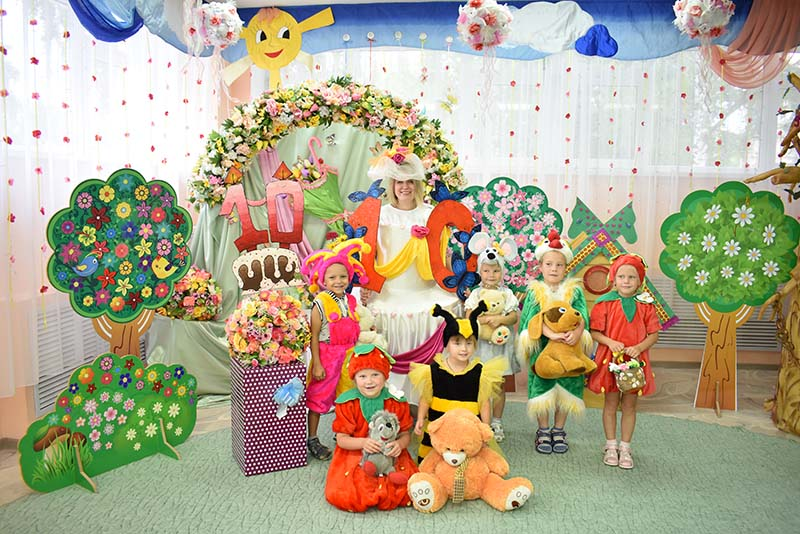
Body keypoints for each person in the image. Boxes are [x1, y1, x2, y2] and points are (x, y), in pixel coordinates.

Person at [361, 147, 462, 397]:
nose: (404, 187)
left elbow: (440, 255)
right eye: (399, 182)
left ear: (417, 185)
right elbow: (370, 252)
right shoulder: (382, 215)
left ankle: (431, 397)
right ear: (392, 185)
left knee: (442, 311)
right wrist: (365, 285)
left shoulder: (428, 214)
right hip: (389, 291)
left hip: (424, 289)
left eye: (409, 182)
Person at [517, 230, 591, 455]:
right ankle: (543, 429)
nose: (554, 269)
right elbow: (530, 320)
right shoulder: (535, 292)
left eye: (559, 265)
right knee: (543, 386)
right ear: (540, 266)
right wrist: (550, 334)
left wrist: (577, 332)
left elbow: (582, 316)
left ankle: (558, 429)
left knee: (566, 386)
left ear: (566, 267)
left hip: (569, 347)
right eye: (549, 264)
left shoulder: (573, 292)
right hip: (543, 350)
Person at [325, 344, 418, 512]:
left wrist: (399, 445)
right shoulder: (347, 403)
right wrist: (363, 443)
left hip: (389, 453)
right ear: (354, 379)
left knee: (407, 486)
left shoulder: (396, 402)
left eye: (375, 374)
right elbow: (342, 440)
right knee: (351, 489)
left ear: (385, 376)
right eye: (362, 376)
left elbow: (405, 434)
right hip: (356, 449)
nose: (369, 381)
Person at [587, 253, 659, 470]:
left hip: (635, 362)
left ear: (639, 280)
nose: (626, 281)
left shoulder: (646, 305)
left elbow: (653, 334)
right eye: (621, 277)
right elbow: (594, 332)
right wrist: (610, 342)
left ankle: (625, 447)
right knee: (610, 403)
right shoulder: (604, 303)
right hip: (611, 360)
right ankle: (611, 445)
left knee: (629, 405)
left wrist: (639, 347)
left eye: (631, 277)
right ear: (613, 278)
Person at [409, 303, 506, 462]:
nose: (464, 349)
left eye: (469, 343)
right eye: (457, 343)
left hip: (467, 427)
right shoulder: (433, 371)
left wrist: (485, 427)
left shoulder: (480, 373)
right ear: (446, 344)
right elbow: (425, 398)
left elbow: (484, 403)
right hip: (439, 425)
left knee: (470, 462)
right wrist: (420, 418)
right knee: (432, 461)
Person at [301, 238, 370, 461]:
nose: (338, 281)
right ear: (323, 279)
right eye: (332, 277)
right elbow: (314, 336)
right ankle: (312, 438)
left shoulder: (351, 301)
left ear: (349, 277)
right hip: (327, 356)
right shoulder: (320, 303)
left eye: (342, 277)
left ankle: (344, 432)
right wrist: (317, 364)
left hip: (349, 355)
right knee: (319, 397)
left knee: (348, 396)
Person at [464, 238, 520, 443]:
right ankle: (479, 419)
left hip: (500, 349)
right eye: (486, 270)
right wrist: (482, 319)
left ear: (502, 272)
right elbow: (469, 315)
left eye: (496, 271)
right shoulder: (476, 293)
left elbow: (513, 317)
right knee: (478, 384)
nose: (491, 275)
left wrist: (500, 319)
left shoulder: (507, 294)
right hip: (481, 349)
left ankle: (496, 421)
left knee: (498, 387)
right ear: (480, 271)